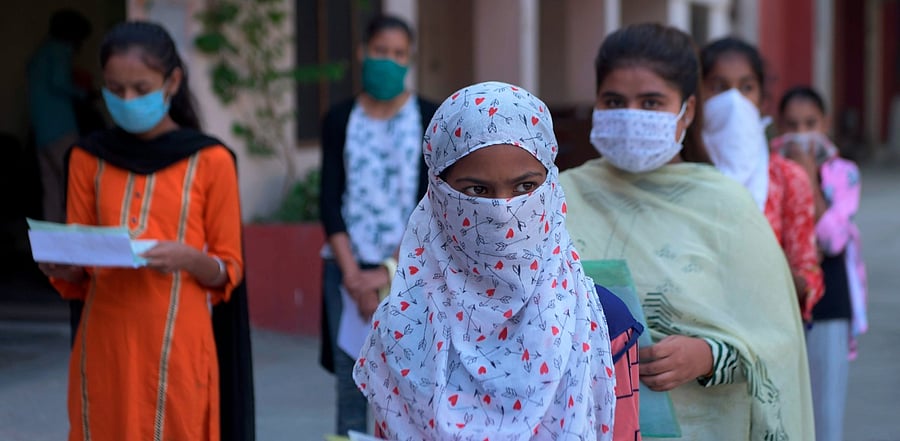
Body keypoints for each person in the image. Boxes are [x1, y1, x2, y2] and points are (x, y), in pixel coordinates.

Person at [559, 23, 814, 440]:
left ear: (688, 111)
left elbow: (778, 342)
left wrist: (709, 355)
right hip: (582, 423)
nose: (631, 116)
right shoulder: (560, 198)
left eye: (652, 102)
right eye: (615, 101)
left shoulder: (725, 206)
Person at [353, 81, 617, 440]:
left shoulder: (600, 321)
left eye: (525, 188)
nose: (504, 212)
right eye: (477, 191)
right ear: (439, 195)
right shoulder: (402, 330)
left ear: (551, 187)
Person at [38, 21, 254, 441]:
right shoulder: (87, 158)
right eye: (115, 90)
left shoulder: (211, 160)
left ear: (172, 81)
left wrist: (189, 258)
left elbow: (229, 269)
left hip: (180, 346)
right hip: (104, 343)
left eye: (140, 88)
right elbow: (80, 263)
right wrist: (62, 266)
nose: (128, 99)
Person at [318, 15, 439, 435]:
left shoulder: (428, 117)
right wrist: (354, 276)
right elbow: (329, 202)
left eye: (397, 54)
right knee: (350, 386)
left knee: (409, 386)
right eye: (379, 52)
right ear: (362, 53)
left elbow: (432, 203)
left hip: (408, 270)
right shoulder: (339, 119)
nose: (387, 61)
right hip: (345, 269)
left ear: (409, 60)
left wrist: (385, 273)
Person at [700, 37, 824, 321]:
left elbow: (808, 275)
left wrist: (775, 273)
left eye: (746, 87)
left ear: (761, 99)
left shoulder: (788, 178)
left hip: (769, 328)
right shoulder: (684, 175)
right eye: (718, 87)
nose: (734, 100)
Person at [772, 86, 868, 441]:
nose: (801, 134)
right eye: (792, 125)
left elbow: (832, 240)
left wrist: (808, 178)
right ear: (779, 127)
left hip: (830, 299)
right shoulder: (769, 171)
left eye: (810, 123)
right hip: (783, 298)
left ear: (825, 123)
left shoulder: (844, 174)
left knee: (825, 413)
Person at [27, 9, 92, 222]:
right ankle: (75, 244)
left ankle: (50, 251)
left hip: (41, 131)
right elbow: (59, 82)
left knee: (52, 190)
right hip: (61, 128)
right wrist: (85, 94)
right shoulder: (59, 50)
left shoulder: (40, 54)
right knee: (74, 186)